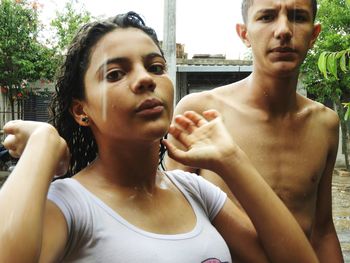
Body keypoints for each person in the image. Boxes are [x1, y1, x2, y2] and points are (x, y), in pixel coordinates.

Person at [0, 11, 318, 263]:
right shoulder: (71, 205)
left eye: (155, 67)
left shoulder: (195, 192)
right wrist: (44, 142)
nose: (144, 80)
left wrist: (232, 159)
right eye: (115, 74)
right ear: (82, 111)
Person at [165, 0, 344, 261]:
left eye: (298, 17)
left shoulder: (325, 123)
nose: (283, 30)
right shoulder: (200, 111)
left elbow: (323, 230)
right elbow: (172, 221)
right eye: (267, 17)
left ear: (314, 35)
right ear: (244, 34)